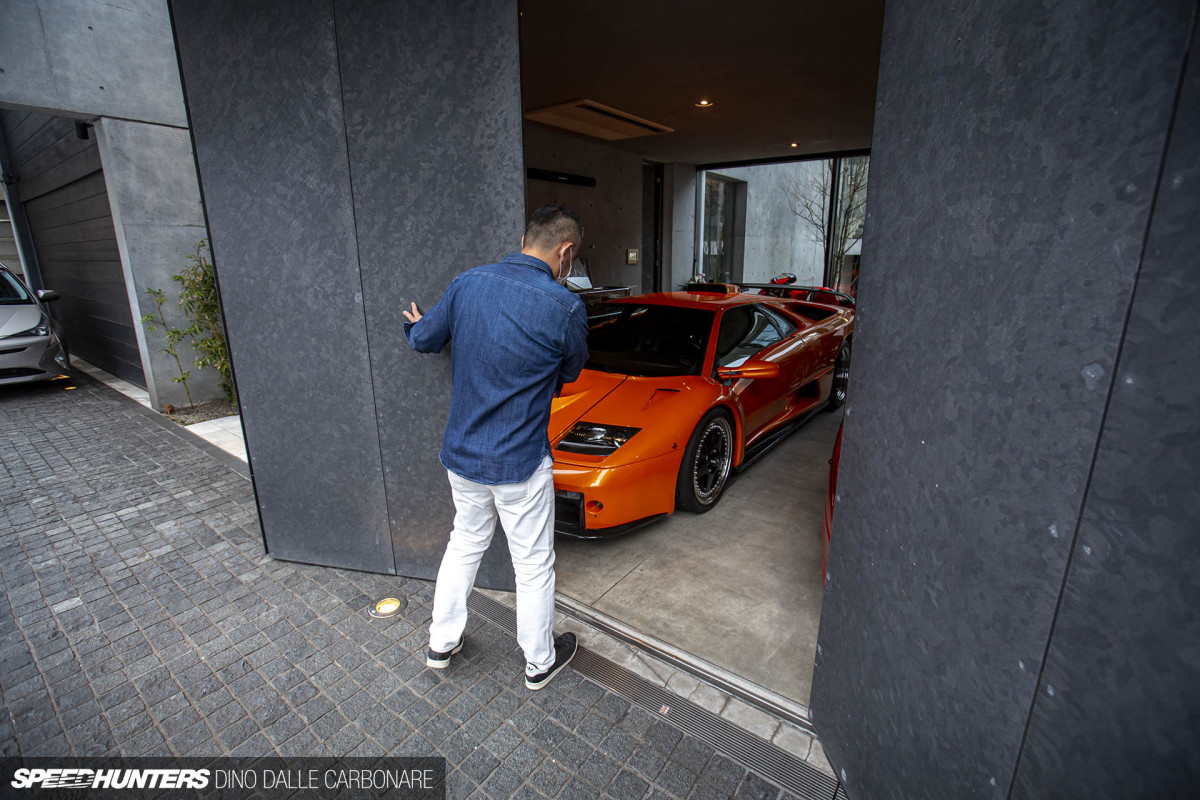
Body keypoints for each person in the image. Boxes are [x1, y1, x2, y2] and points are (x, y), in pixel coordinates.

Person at [402, 204, 589, 690]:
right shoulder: (565, 306)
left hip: (462, 455)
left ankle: (441, 644)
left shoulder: (468, 283)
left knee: (463, 544)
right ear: (564, 252)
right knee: (532, 564)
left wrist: (418, 323)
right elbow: (569, 372)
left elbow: (423, 338)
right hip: (520, 463)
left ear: (527, 239)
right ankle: (538, 662)